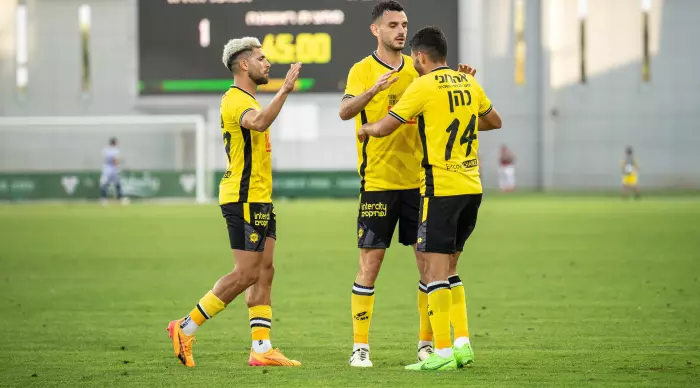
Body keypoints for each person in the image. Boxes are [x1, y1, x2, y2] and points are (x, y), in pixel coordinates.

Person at [358, 26, 502, 371]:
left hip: (441, 190)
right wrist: (456, 115)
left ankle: (440, 352)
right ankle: (463, 343)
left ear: (420, 57)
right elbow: (493, 121)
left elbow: (385, 127)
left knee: (435, 272)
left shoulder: (422, 86)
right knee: (451, 269)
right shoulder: (468, 82)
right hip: (472, 188)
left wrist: (365, 128)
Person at [166, 37, 302, 368]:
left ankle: (261, 348)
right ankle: (185, 327)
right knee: (245, 274)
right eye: (261, 58)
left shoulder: (248, 98)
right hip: (243, 199)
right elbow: (258, 122)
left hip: (259, 198)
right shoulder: (235, 100)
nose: (267, 63)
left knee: (265, 271)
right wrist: (284, 90)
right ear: (244, 65)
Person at [99, 137, 128, 205]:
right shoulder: (115, 150)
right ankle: (119, 199)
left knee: (104, 183)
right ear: (115, 143)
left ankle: (103, 199)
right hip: (112, 169)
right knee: (117, 184)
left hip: (106, 168)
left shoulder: (105, 149)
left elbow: (105, 157)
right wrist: (118, 166)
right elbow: (115, 160)